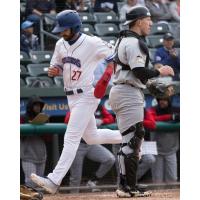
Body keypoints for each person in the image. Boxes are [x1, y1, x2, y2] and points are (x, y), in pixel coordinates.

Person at [30, 9, 122, 194]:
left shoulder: (92, 42)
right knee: (91, 137)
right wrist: (54, 70)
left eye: (64, 29)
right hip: (70, 96)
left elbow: (116, 55)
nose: (61, 32)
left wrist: (108, 73)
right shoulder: (60, 44)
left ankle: (53, 180)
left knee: (70, 137)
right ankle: (130, 136)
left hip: (87, 95)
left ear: (75, 27)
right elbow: (55, 64)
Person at [109, 5, 174, 197]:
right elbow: (139, 72)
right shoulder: (134, 42)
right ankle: (127, 187)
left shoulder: (124, 39)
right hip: (128, 91)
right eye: (148, 19)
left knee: (130, 139)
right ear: (138, 21)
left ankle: (127, 185)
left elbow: (136, 73)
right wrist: (159, 72)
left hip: (123, 90)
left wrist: (150, 80)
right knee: (133, 140)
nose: (151, 23)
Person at [65, 104, 115, 193]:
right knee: (76, 177)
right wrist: (85, 120)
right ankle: (73, 196)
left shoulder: (98, 106)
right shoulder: (78, 105)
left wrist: (102, 121)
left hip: (91, 144)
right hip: (77, 145)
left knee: (109, 159)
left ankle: (93, 181)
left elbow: (111, 118)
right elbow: (67, 120)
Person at [147, 96, 180, 183]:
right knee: (157, 180)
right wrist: (170, 117)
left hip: (171, 149)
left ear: (169, 101)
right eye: (160, 99)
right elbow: (151, 119)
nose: (162, 102)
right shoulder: (153, 109)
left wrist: (174, 117)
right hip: (156, 150)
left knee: (172, 179)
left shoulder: (176, 110)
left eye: (165, 100)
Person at [20, 95, 47, 188]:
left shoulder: (43, 118)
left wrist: (43, 127)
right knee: (30, 182)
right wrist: (30, 127)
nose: (38, 107)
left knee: (39, 183)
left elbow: (49, 139)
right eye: (35, 105)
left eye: (39, 105)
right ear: (30, 106)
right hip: (28, 156)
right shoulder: (22, 118)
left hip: (41, 155)